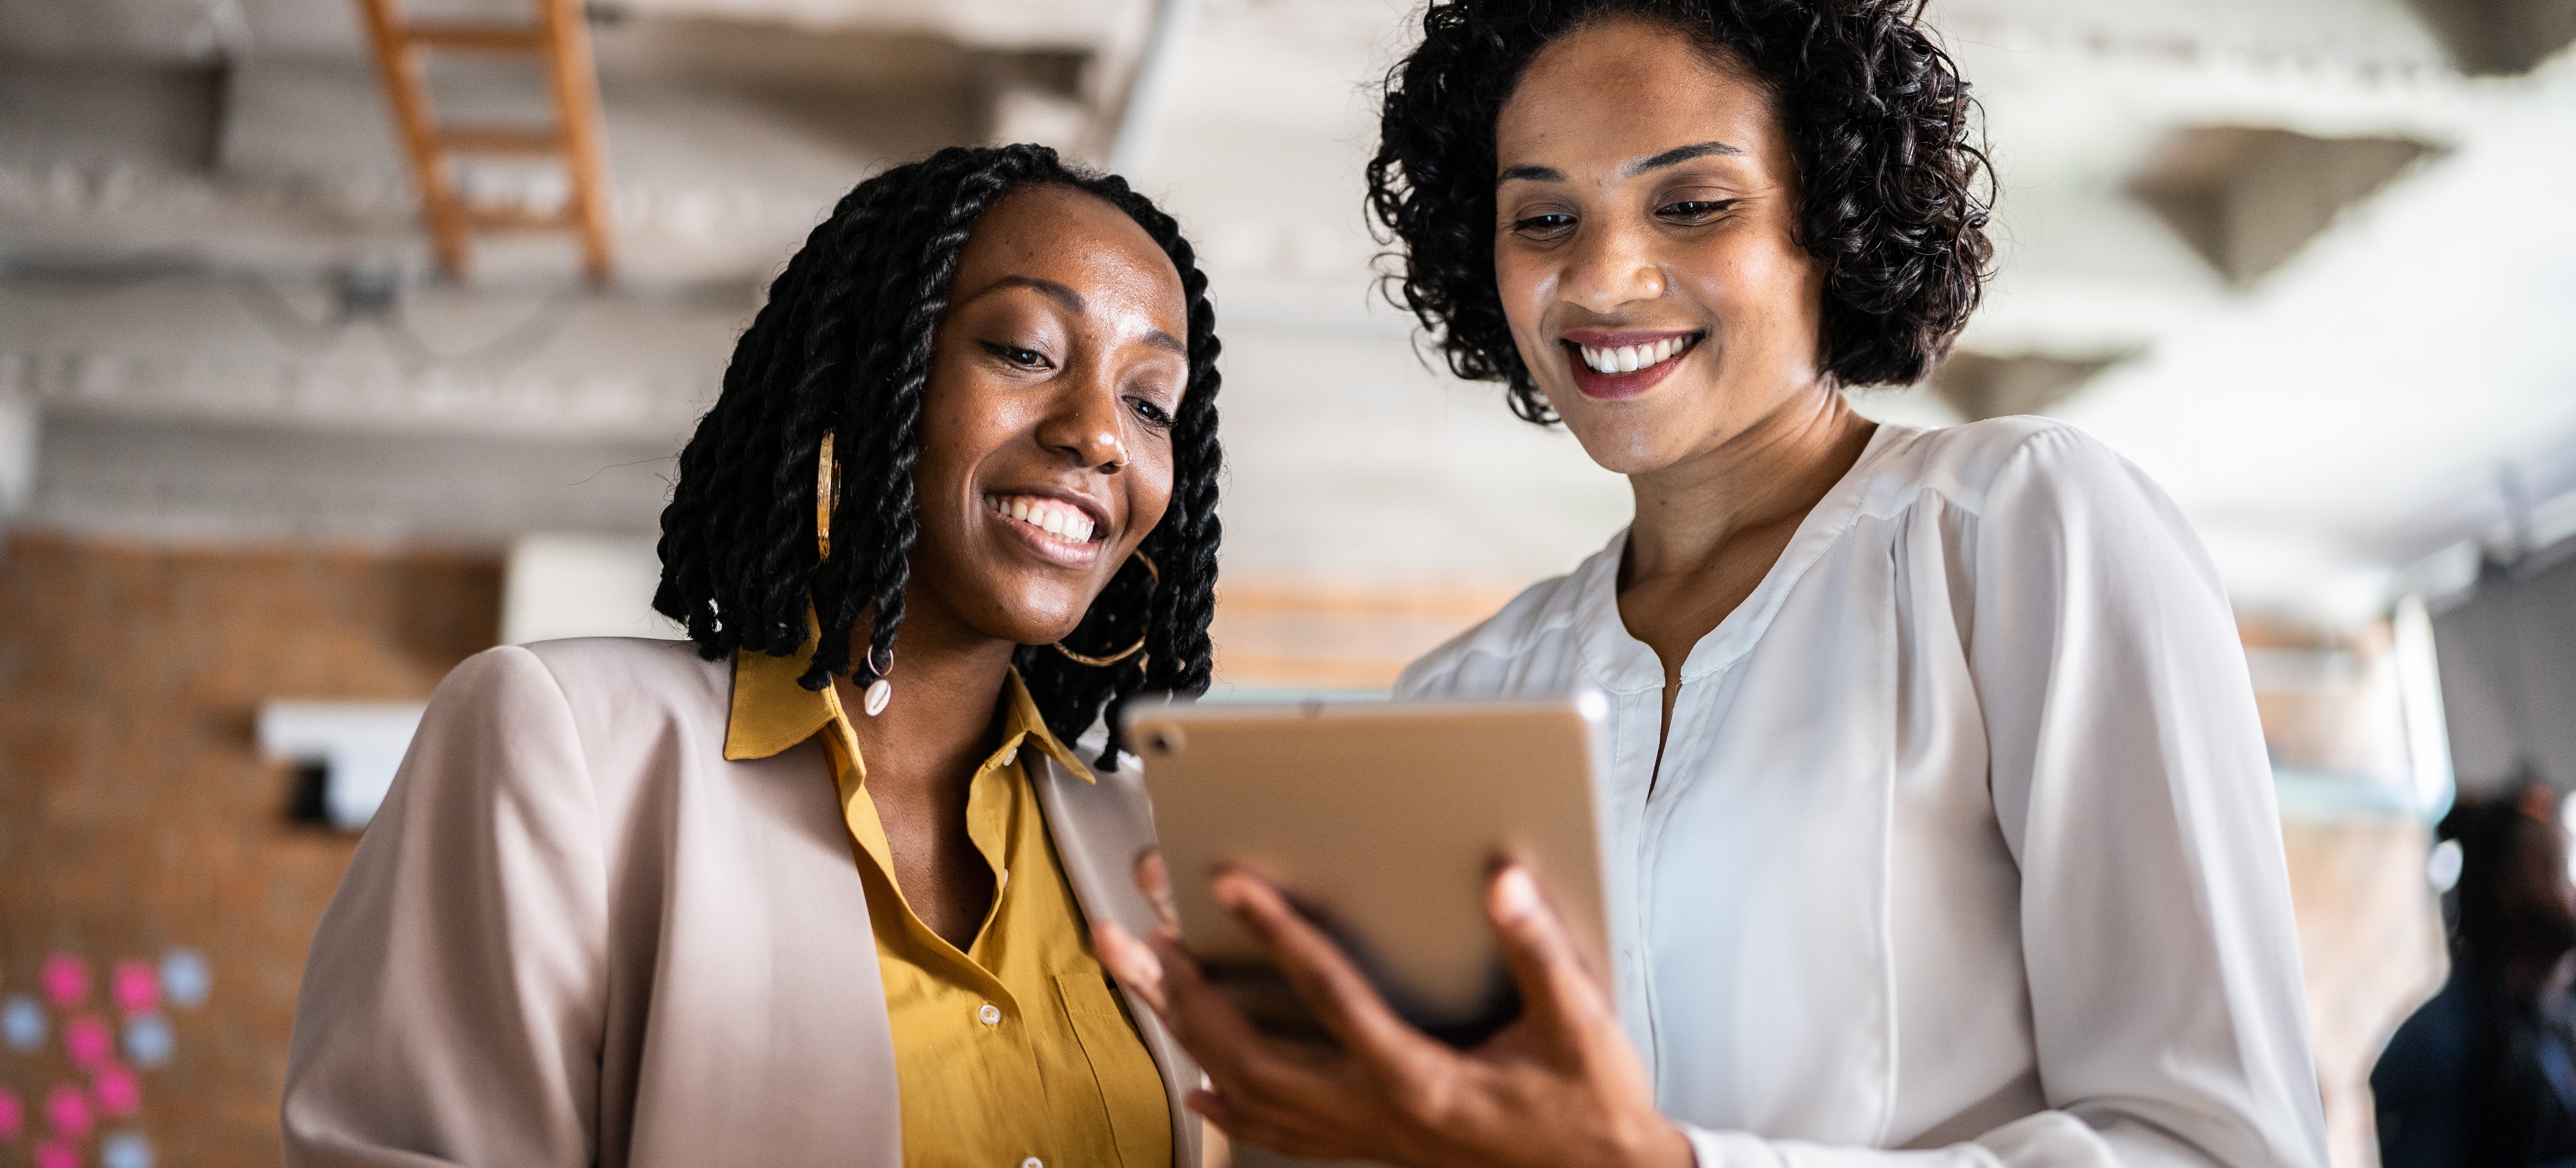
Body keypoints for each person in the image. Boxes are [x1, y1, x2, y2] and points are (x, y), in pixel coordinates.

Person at [1091, 2, 2329, 1165]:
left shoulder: (2015, 533)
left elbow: (2216, 1143)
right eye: (1543, 218)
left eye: (1691, 204)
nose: (1605, 278)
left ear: (1829, 219)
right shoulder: (1466, 689)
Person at [280, 143, 1225, 1168]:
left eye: (1150, 403)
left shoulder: (1157, 849)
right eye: (1027, 351)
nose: (1101, 437)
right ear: (869, 377)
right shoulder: (563, 742)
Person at [2374, 782, 2576, 1167]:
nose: (2573, 895)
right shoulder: (2433, 1047)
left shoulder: (2551, 1017)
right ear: (2507, 888)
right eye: (2558, 873)